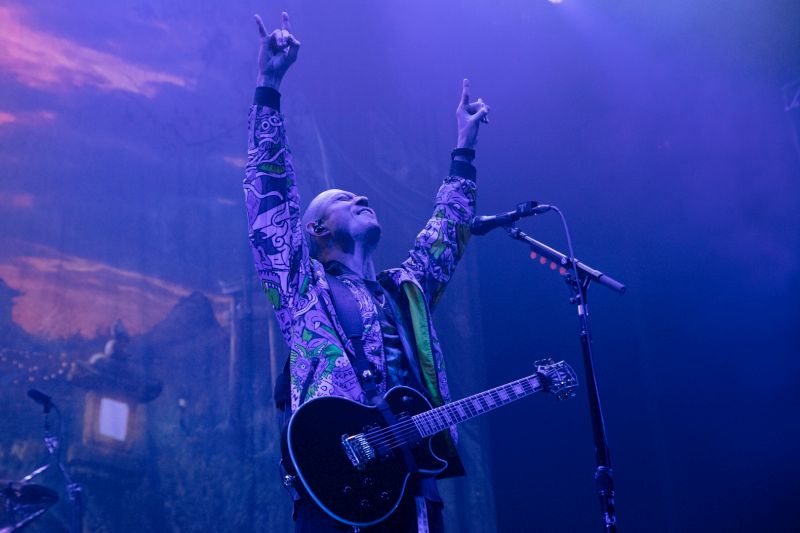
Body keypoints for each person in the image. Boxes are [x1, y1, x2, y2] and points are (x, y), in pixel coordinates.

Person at [244, 11, 490, 532]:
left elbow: (445, 237)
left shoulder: (405, 291)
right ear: (314, 230)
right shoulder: (301, 288)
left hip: (408, 485)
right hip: (335, 487)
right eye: (342, 199)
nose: (359, 196)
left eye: (358, 195)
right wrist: (268, 86)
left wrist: (463, 150)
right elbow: (270, 200)